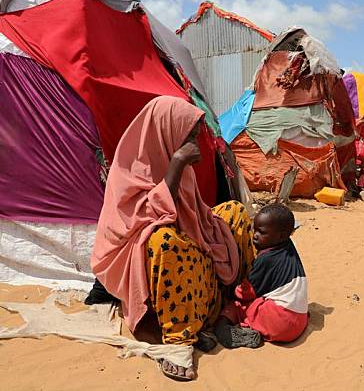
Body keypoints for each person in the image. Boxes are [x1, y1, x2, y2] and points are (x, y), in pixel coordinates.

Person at [91, 96, 255, 381]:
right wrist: (176, 166)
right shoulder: (130, 169)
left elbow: (195, 215)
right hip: (159, 272)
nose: (194, 143)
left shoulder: (181, 168)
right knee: (164, 240)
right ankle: (179, 341)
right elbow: (135, 224)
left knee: (235, 213)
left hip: (192, 263)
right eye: (188, 136)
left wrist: (210, 229)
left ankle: (231, 308)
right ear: (165, 132)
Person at [215, 203, 308, 346]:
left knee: (236, 306)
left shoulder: (267, 259)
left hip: (280, 323)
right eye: (255, 229)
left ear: (281, 235)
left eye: (262, 233)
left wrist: (232, 289)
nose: (255, 236)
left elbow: (247, 292)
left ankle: (224, 330)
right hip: (299, 321)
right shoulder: (287, 246)